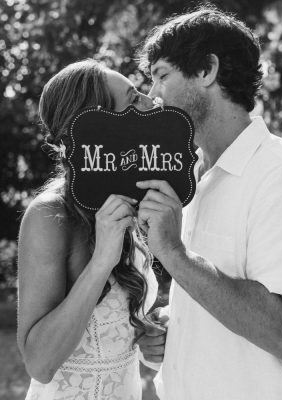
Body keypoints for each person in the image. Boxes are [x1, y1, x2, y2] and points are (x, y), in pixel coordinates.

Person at [134, 7, 282, 400]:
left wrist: (174, 252)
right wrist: (175, 330)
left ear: (206, 70)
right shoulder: (195, 175)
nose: (154, 95)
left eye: (161, 75)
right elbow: (218, 292)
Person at [17, 59, 165, 400]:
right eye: (132, 100)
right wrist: (101, 262)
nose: (149, 102)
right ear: (96, 130)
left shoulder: (126, 199)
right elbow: (39, 363)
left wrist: (146, 334)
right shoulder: (50, 217)